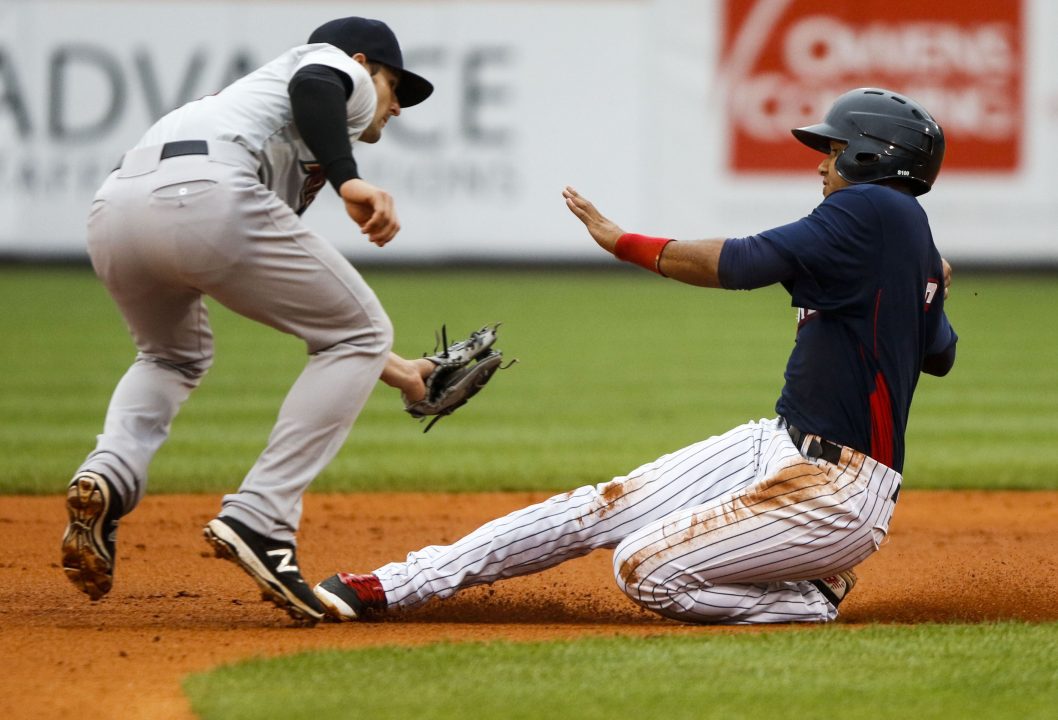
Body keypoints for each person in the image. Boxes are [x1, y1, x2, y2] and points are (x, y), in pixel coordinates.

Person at [312, 87, 958, 624]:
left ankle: (809, 598)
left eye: (836, 149)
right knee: (599, 506)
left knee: (644, 567)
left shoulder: (868, 208)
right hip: (780, 443)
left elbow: (739, 263)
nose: (822, 163)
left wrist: (623, 242)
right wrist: (930, 290)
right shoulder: (903, 239)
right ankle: (395, 584)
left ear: (876, 156)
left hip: (836, 491)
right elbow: (940, 354)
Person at [61, 17, 441, 624]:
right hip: (205, 191)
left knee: (170, 356)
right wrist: (350, 180)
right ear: (367, 62)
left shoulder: (254, 117)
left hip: (116, 209)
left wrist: (403, 374)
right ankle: (261, 519)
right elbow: (319, 82)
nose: (395, 107)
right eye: (398, 87)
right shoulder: (335, 69)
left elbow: (318, 323)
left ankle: (106, 473)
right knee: (360, 330)